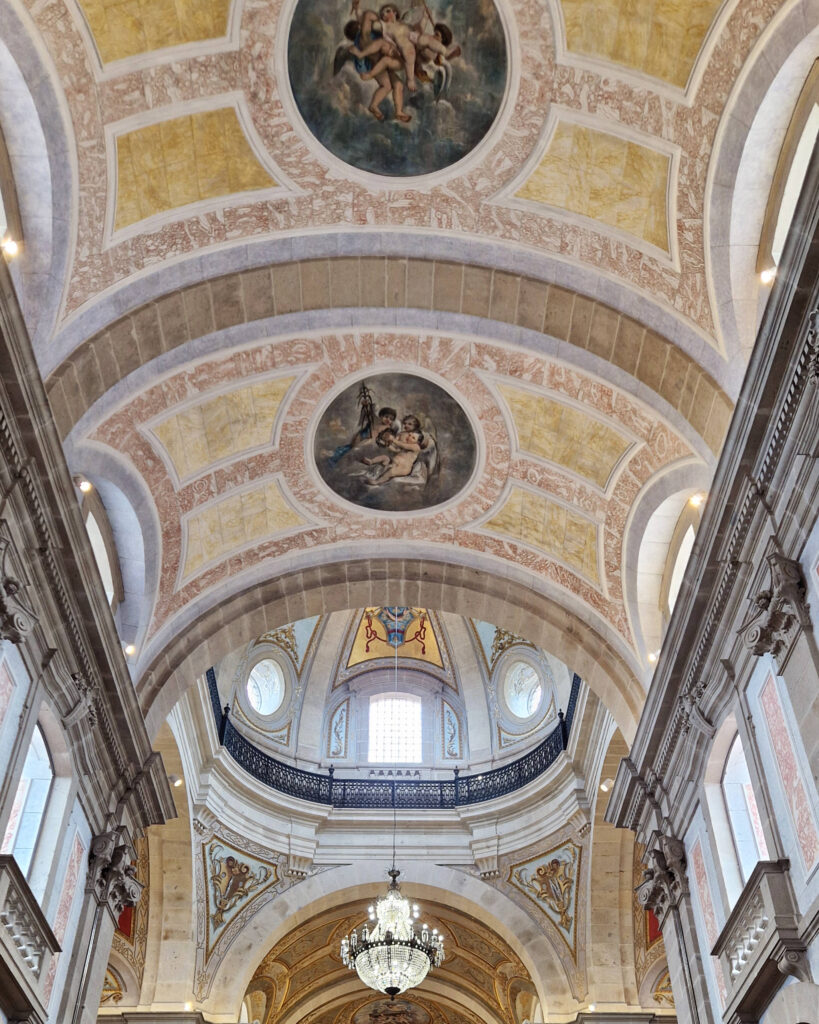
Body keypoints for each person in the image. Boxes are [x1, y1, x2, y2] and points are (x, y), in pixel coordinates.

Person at [328, 406, 399, 467]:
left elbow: (386, 440)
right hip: (367, 440)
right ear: (381, 416)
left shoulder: (388, 429)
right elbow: (370, 417)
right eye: (386, 417)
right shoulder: (376, 423)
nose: (388, 420)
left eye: (391, 419)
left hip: (375, 445)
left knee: (358, 449)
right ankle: (337, 458)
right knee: (352, 447)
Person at [363, 418, 424, 484]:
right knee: (384, 457)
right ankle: (371, 461)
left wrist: (393, 440)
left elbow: (403, 445)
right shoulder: (406, 444)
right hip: (394, 463)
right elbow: (396, 450)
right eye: (409, 435)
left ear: (418, 442)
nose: (409, 437)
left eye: (413, 438)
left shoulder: (416, 447)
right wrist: (387, 445)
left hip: (403, 467)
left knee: (390, 472)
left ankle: (377, 482)